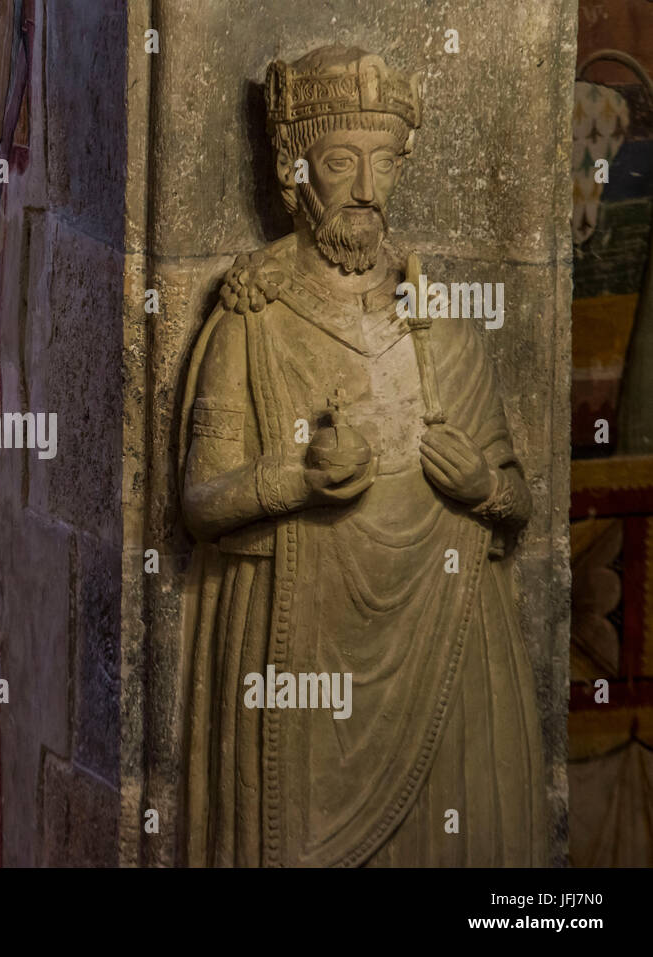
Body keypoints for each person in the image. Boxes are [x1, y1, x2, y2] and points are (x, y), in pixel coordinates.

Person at [179, 45, 545, 867]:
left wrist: (483, 485)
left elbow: (517, 503)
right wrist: (294, 481)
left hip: (447, 647)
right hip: (300, 650)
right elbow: (201, 500)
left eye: (384, 163)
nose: (368, 190)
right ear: (292, 166)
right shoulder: (251, 319)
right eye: (342, 162)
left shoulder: (440, 324)